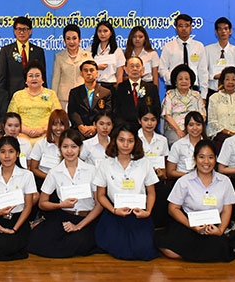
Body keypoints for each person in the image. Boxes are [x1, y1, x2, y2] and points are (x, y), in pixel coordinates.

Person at [155, 139, 235, 262]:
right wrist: (192, 226)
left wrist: (220, 230)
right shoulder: (184, 181)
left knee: (220, 247)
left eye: (210, 157)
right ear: (195, 159)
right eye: (201, 157)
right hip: (189, 224)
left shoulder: (225, 181)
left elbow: (227, 209)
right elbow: (173, 208)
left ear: (215, 159)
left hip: (213, 225)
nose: (206, 162)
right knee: (172, 251)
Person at [27, 129, 103, 258]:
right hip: (63, 216)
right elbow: (42, 203)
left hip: (87, 219)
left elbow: (99, 205)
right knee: (35, 240)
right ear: (60, 148)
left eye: (74, 147)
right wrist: (60, 205)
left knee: (78, 241)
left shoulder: (92, 170)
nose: (69, 151)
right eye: (65, 147)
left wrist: (78, 226)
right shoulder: (54, 172)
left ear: (80, 148)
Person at [93, 124, 159, 261]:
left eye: (130, 141)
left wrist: (148, 212)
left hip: (139, 213)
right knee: (118, 248)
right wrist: (114, 210)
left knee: (144, 250)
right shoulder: (105, 165)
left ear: (135, 143)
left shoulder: (144, 163)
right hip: (115, 213)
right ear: (115, 141)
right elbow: (100, 195)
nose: (125, 145)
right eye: (121, 140)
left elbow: (151, 192)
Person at [7, 62, 62, 144]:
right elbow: (11, 118)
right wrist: (25, 130)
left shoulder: (51, 94)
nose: (34, 79)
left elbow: (57, 116)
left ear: (43, 79)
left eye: (37, 75)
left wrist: (43, 130)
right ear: (26, 80)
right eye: (30, 76)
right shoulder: (18, 95)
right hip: (21, 135)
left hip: (46, 135)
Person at [0, 16, 47, 97]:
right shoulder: (6, 51)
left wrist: (44, 96)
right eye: (19, 29)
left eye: (25, 29)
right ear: (14, 31)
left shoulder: (38, 51)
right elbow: (2, 78)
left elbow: (43, 77)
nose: (22, 32)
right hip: (13, 95)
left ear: (30, 31)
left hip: (35, 94)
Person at [112, 56, 161, 130]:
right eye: (131, 66)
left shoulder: (151, 88)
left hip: (146, 128)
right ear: (125, 70)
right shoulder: (118, 89)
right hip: (124, 129)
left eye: (137, 66)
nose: (135, 69)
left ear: (143, 69)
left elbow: (156, 110)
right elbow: (116, 112)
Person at [206, 66, 235, 153]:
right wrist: (229, 133)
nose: (230, 82)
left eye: (233, 79)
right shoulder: (214, 98)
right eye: (227, 79)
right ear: (222, 81)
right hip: (221, 135)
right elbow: (212, 122)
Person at [159, 13, 205, 91]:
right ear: (176, 28)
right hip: (173, 88)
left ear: (191, 28)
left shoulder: (199, 46)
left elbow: (203, 71)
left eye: (186, 26)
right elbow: (162, 69)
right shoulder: (168, 46)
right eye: (180, 26)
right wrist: (172, 78)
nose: (184, 29)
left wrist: (204, 94)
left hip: (193, 88)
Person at [162, 64, 206, 145]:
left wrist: (194, 129)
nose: (184, 81)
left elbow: (202, 115)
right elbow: (167, 115)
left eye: (186, 79)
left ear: (190, 82)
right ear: (175, 82)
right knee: (179, 143)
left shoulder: (196, 95)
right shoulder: (170, 95)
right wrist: (178, 131)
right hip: (175, 129)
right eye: (180, 79)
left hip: (195, 129)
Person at [200, 17, 235, 100]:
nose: (223, 31)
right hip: (212, 91)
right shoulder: (207, 50)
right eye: (220, 29)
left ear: (230, 31)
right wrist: (213, 76)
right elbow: (202, 73)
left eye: (226, 29)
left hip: (232, 92)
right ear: (216, 32)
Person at [67, 60, 112, 139]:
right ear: (81, 74)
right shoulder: (74, 92)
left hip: (100, 129)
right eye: (85, 70)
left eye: (91, 70)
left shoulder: (106, 92)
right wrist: (80, 126)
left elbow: (107, 111)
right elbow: (73, 112)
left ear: (97, 73)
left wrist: (95, 127)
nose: (89, 73)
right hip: (79, 130)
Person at [52, 24, 92, 109]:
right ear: (64, 41)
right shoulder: (59, 57)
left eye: (74, 38)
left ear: (79, 40)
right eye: (68, 39)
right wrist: (53, 100)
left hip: (83, 98)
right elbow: (55, 80)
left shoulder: (87, 56)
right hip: (64, 99)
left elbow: (91, 78)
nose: (71, 42)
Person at [28, 109, 70, 188]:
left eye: (61, 124)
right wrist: (50, 178)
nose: (58, 128)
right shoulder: (41, 144)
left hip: (64, 182)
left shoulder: (71, 145)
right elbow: (33, 168)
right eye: (54, 124)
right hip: (43, 181)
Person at [166, 112, 207, 179]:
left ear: (203, 126)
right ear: (186, 127)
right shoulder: (178, 145)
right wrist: (188, 175)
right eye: (191, 125)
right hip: (183, 181)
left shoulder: (208, 145)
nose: (195, 128)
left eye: (198, 124)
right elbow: (170, 172)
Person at [88, 21, 125, 90]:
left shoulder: (117, 51)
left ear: (110, 33)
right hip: (94, 85)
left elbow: (119, 75)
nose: (102, 34)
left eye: (105, 31)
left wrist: (119, 89)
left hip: (111, 86)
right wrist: (96, 67)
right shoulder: (90, 49)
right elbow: (86, 68)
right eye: (99, 31)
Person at [137, 104, 169, 183]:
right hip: (138, 180)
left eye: (153, 120)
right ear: (139, 120)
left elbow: (164, 169)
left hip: (157, 180)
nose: (149, 123)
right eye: (146, 120)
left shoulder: (163, 140)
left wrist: (162, 174)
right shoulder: (133, 139)